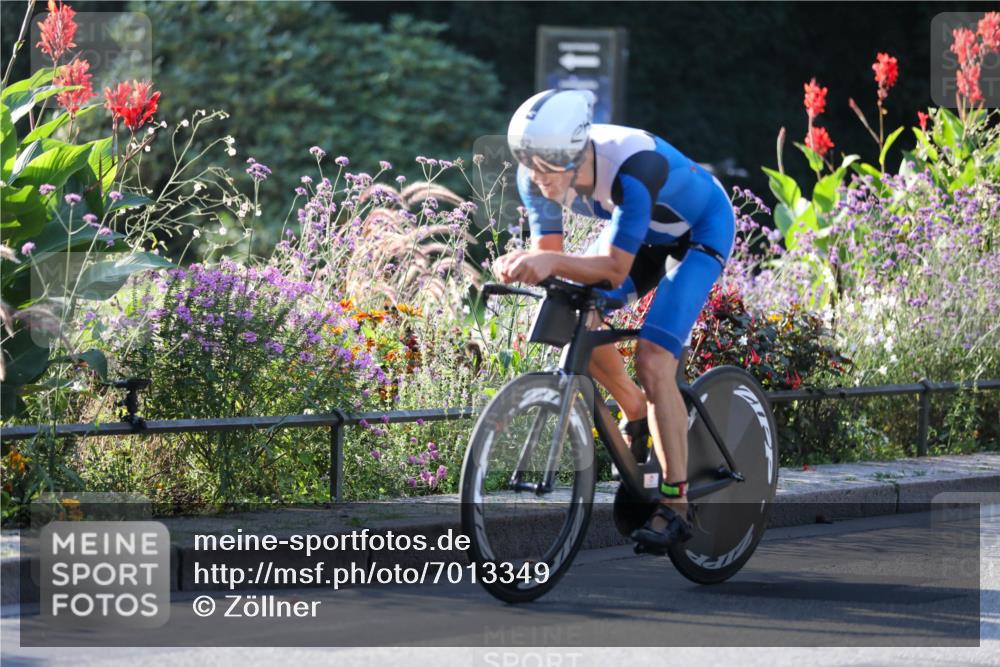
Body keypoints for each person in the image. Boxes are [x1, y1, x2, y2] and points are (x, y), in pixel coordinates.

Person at [492, 89, 736, 552]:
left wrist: (549, 263)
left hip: (700, 232)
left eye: (547, 165)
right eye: (529, 164)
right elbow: (555, 264)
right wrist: (528, 263)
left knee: (654, 361)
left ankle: (676, 504)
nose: (537, 178)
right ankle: (635, 408)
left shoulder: (633, 168)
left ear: (577, 153)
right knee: (572, 311)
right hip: (642, 235)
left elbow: (614, 270)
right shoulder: (536, 176)